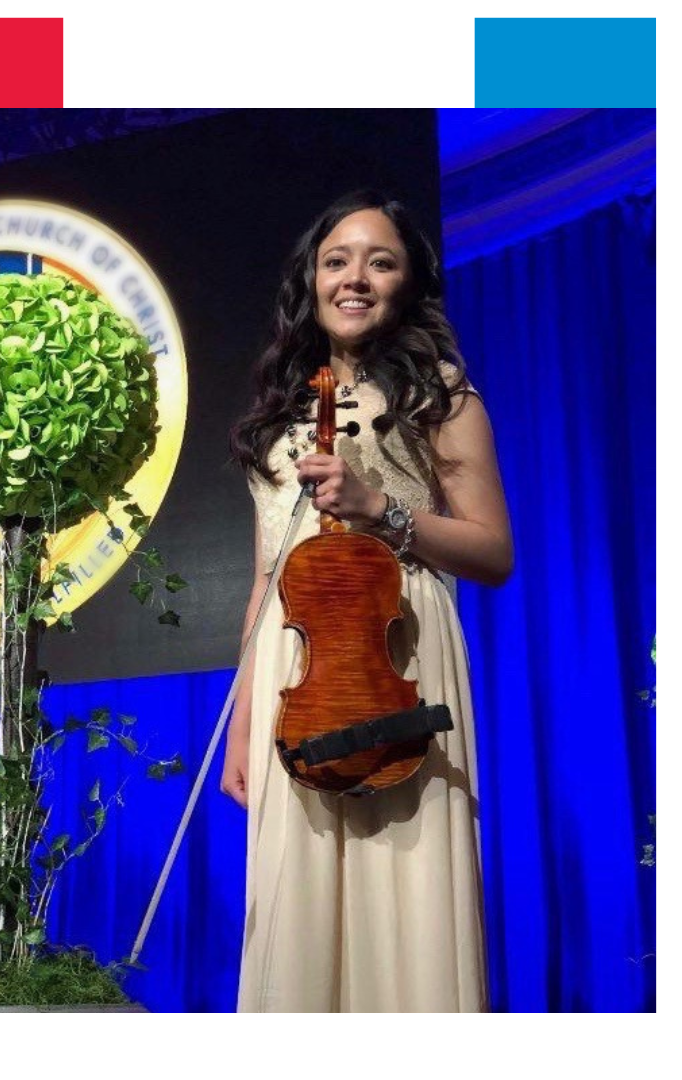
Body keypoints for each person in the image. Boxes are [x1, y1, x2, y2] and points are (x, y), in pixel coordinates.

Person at [223, 190, 512, 1013]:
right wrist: (243, 719)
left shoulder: (441, 391)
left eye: (380, 261)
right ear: (311, 281)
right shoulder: (278, 415)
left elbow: (493, 551)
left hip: (399, 657)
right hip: (294, 666)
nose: (356, 278)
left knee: (408, 891)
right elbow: (263, 581)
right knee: (295, 901)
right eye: (337, 260)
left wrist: (381, 510)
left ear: (407, 283)